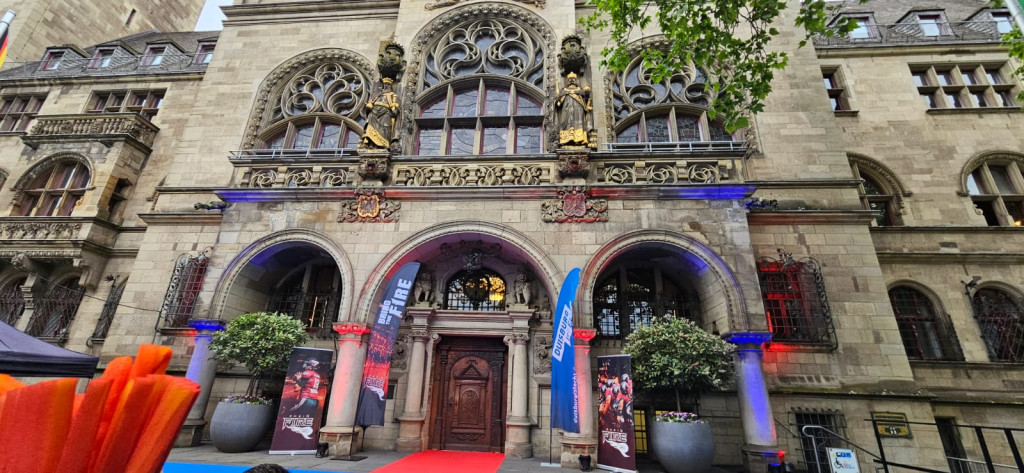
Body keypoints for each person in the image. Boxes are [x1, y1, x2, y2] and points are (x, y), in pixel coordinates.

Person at [359, 77, 399, 151]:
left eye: (388, 85)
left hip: (385, 113)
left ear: (390, 86)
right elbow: (371, 103)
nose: (386, 86)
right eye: (385, 84)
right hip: (374, 113)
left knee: (386, 127)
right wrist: (369, 106)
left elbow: (395, 107)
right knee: (371, 126)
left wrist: (394, 110)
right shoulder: (378, 95)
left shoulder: (393, 95)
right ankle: (371, 144)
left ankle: (384, 144)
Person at [555, 72, 592, 148]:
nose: (572, 80)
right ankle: (565, 139)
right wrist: (557, 101)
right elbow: (559, 102)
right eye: (570, 79)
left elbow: (585, 100)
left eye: (573, 79)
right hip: (567, 109)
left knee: (579, 122)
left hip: (578, 109)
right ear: (568, 80)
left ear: (575, 80)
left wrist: (587, 92)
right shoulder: (564, 90)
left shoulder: (579, 90)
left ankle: (579, 139)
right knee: (565, 122)